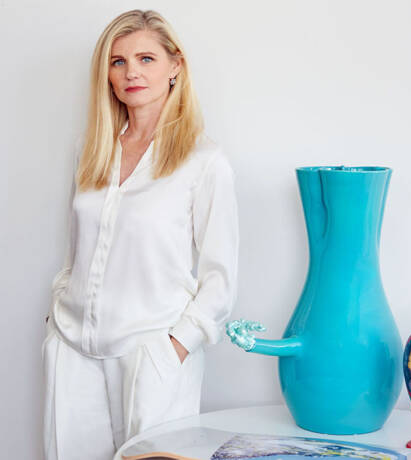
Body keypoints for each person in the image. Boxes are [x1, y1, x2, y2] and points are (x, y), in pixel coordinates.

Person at [41, 9, 239, 460]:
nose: (131, 72)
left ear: (175, 67)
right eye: (118, 61)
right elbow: (78, 252)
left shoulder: (204, 162)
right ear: (106, 76)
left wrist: (174, 350)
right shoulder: (91, 152)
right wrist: (57, 317)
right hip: (73, 351)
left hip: (151, 356)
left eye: (146, 58)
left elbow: (219, 278)